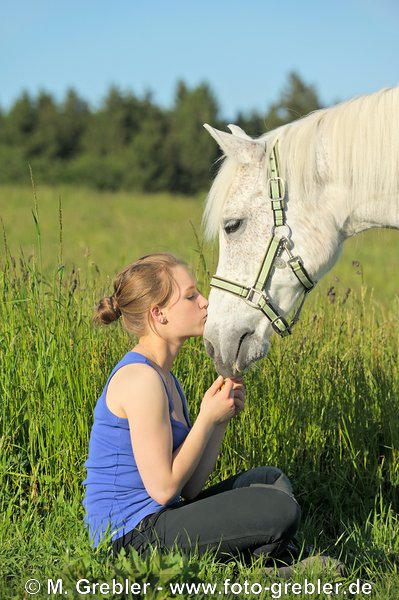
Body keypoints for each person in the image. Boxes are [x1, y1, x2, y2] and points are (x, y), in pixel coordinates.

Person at [83, 252, 301, 561]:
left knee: (268, 479)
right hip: (128, 540)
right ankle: (268, 562)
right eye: (190, 296)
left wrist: (217, 421)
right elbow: (163, 490)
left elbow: (191, 488)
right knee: (279, 508)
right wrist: (205, 417)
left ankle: (262, 560)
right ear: (159, 315)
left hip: (159, 520)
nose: (204, 302)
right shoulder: (141, 379)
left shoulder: (165, 378)